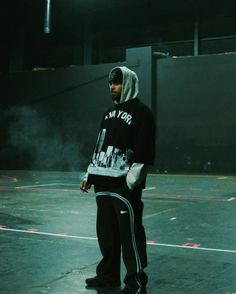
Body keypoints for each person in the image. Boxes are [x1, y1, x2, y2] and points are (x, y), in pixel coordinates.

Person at [80, 66, 155, 294]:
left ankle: (135, 282)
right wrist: (89, 175)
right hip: (102, 185)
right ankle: (107, 276)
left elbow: (144, 150)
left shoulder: (143, 113)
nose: (112, 87)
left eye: (117, 83)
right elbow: (100, 145)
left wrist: (130, 184)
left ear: (128, 83)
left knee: (130, 237)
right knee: (107, 236)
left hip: (123, 188)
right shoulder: (107, 114)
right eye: (110, 83)